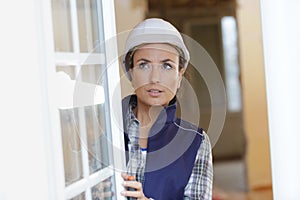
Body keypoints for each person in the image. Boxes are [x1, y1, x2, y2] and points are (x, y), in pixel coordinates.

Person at [120, 18, 213, 200]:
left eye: (167, 65)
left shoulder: (197, 143)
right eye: (144, 65)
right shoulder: (105, 132)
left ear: (179, 76)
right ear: (131, 72)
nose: (155, 78)